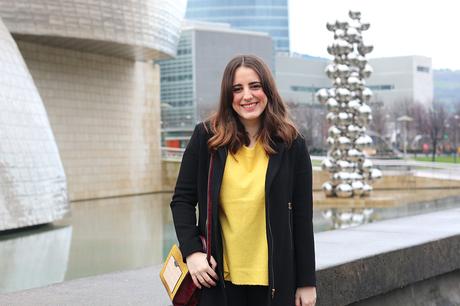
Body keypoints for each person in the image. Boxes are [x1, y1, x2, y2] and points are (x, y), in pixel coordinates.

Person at [170, 54, 317, 306]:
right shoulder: (206, 138)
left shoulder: (292, 144)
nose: (247, 96)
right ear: (229, 96)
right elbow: (182, 200)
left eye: (255, 86)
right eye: (237, 89)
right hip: (218, 279)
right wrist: (192, 252)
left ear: (267, 90)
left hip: (275, 280)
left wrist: (306, 282)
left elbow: (302, 218)